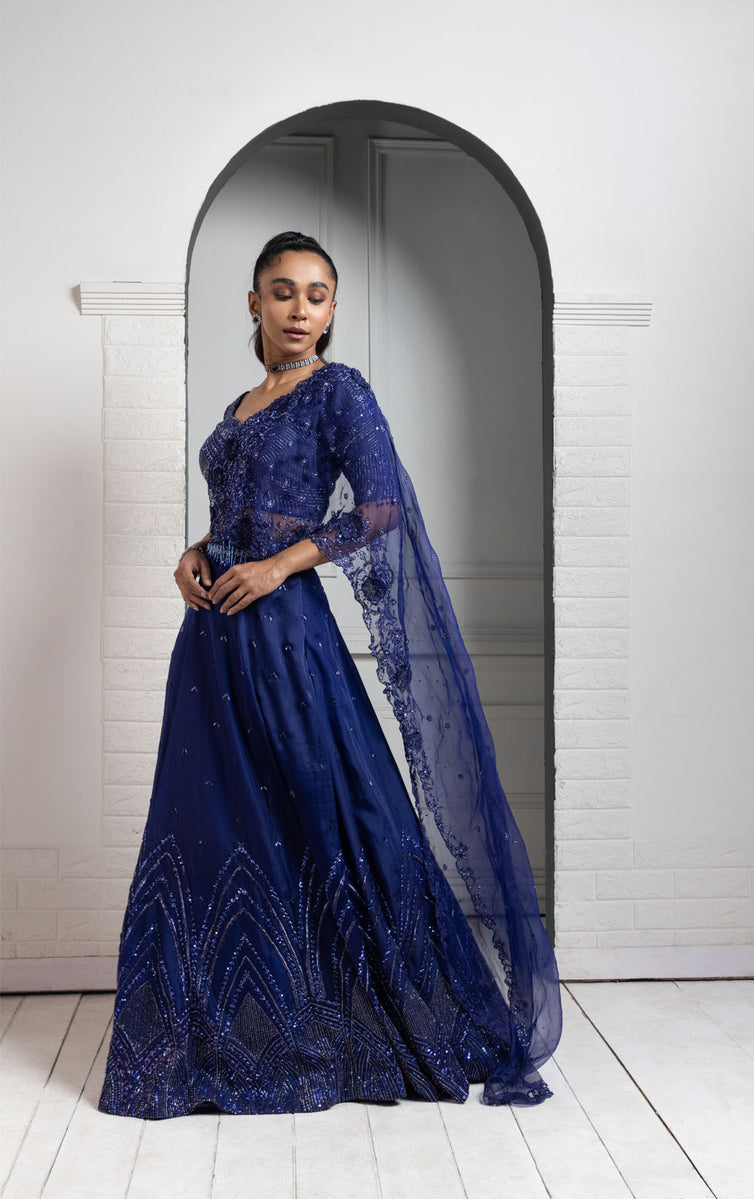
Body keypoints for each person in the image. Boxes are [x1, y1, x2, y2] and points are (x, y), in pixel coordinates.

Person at [97, 230, 562, 1120]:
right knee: (223, 819)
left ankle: (365, 1012)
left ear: (333, 309)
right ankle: (239, 1015)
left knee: (328, 805)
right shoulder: (241, 402)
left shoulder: (339, 390)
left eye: (317, 295)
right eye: (283, 291)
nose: (300, 309)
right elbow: (240, 513)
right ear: (254, 303)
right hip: (212, 639)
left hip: (285, 633)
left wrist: (278, 567)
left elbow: (379, 507)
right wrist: (197, 549)